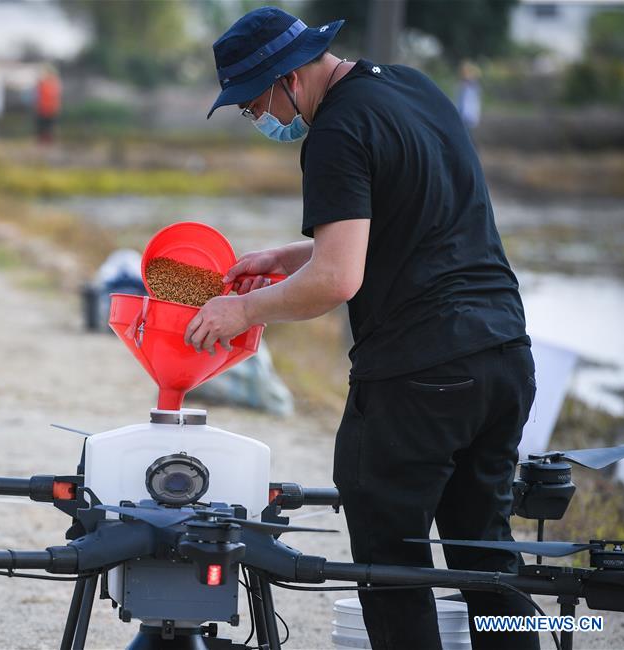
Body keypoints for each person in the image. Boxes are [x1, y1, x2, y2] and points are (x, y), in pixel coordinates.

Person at [186, 7, 538, 650]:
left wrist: (242, 310)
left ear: (286, 77)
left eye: (251, 100)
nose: (253, 115)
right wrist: (284, 256)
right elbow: (406, 222)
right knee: (485, 556)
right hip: (504, 356)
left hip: (421, 373)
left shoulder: (336, 131)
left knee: (390, 564)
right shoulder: (412, 88)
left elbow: (337, 281)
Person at [34, 65, 61, 144]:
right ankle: (43, 142)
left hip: (49, 109)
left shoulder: (53, 83)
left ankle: (48, 142)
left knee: (48, 127)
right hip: (43, 109)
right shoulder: (44, 83)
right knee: (43, 127)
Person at [456, 61, 482, 133]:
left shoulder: (473, 85)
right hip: (462, 113)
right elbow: (459, 101)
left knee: (468, 132)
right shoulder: (462, 85)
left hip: (469, 114)